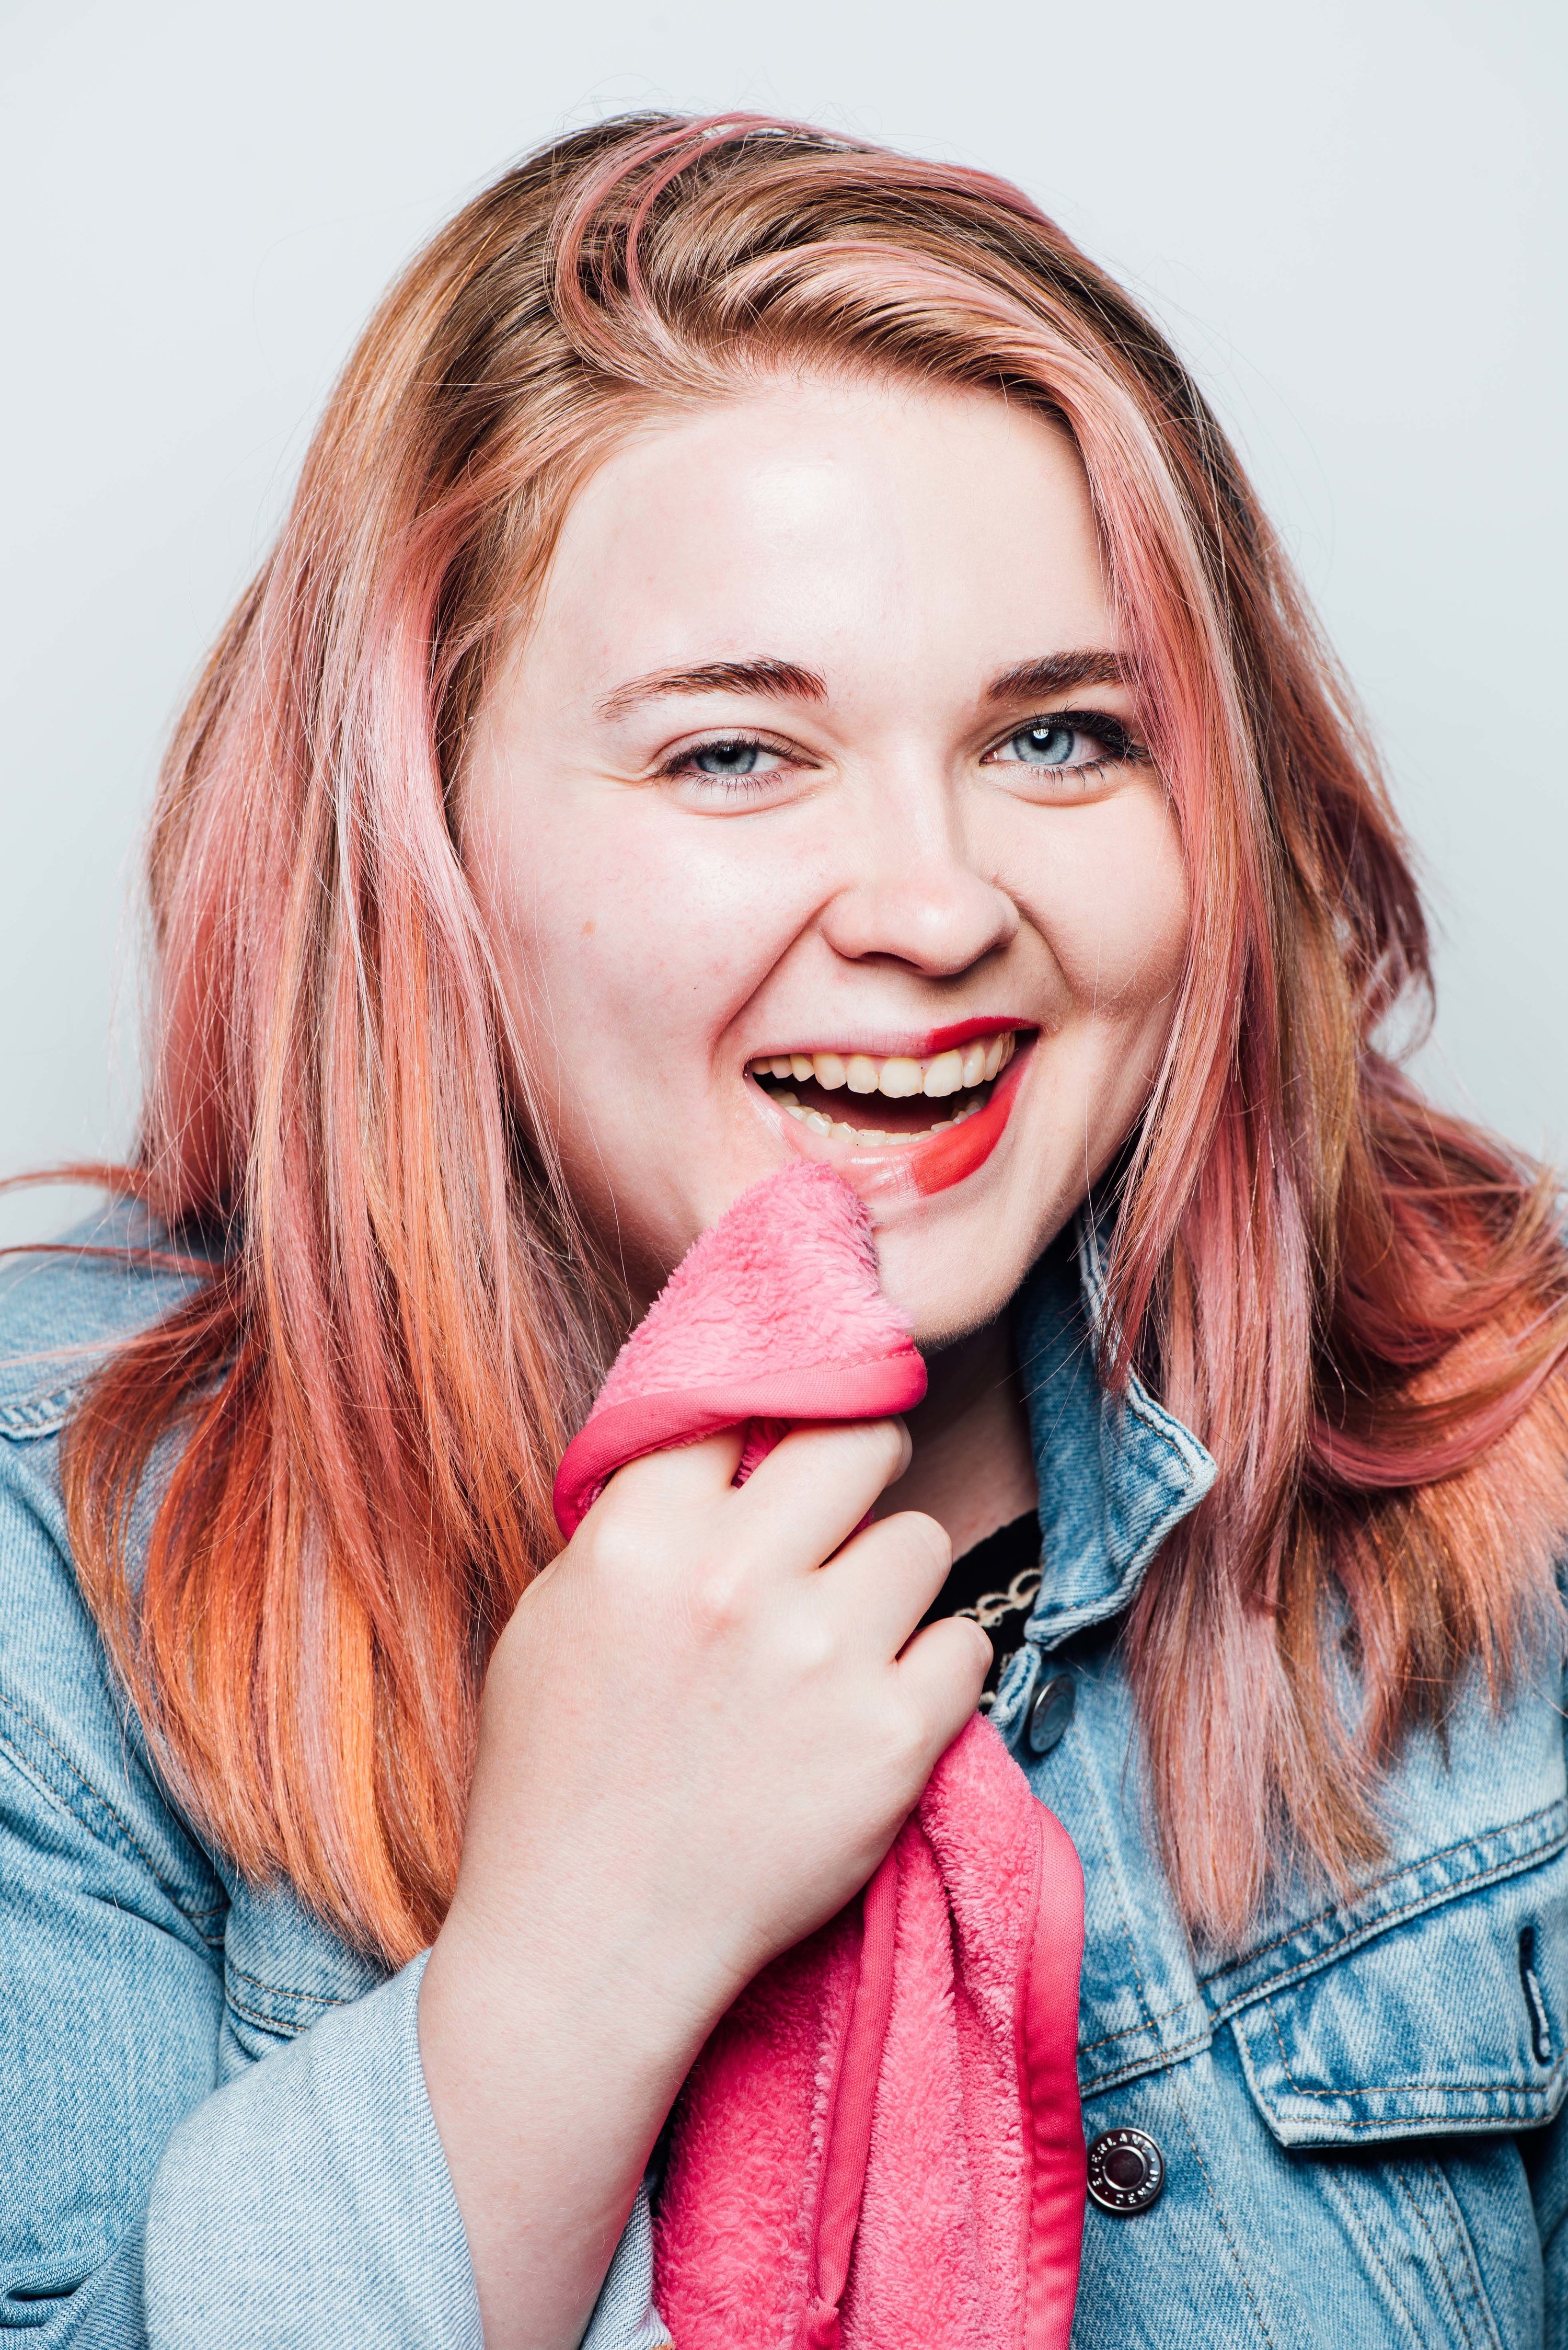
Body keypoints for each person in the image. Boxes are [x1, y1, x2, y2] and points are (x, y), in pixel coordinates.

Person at [3, 110, 1566, 2350]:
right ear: (422, 840)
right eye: (736, 756)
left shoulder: (1512, 1477)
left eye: (1059, 736)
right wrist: (572, 1963)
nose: (938, 910)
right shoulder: (54, 1582)